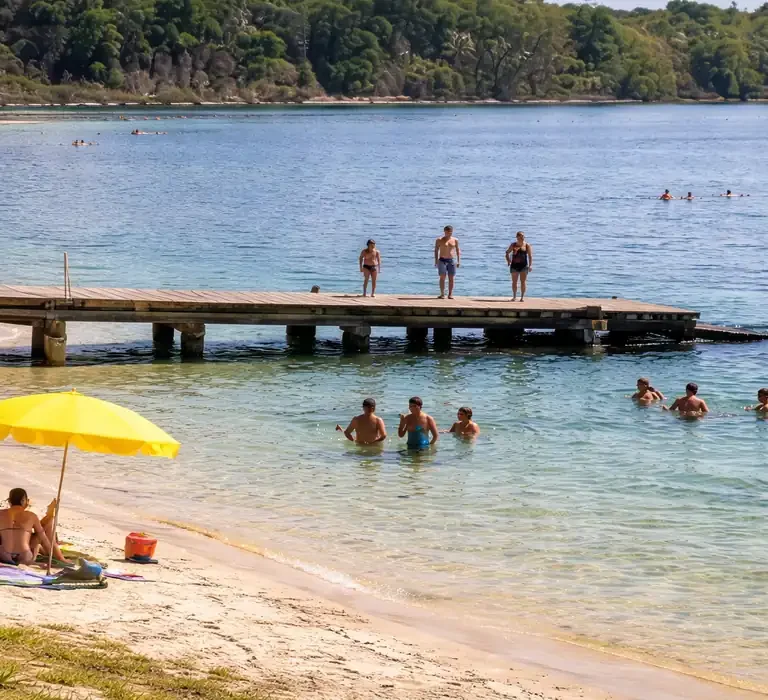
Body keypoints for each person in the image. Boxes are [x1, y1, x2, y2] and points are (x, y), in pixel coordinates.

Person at [0, 489, 68, 565]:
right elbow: (44, 539)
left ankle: (50, 516)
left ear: (9, 501)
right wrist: (54, 556)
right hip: (25, 556)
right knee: (45, 528)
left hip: (4, 555)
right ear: (23, 501)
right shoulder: (31, 516)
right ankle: (60, 557)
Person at [505, 231, 533, 302]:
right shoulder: (513, 245)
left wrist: (530, 265)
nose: (522, 238)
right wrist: (508, 261)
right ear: (517, 237)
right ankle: (514, 297)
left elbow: (530, 256)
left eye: (523, 236)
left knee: (523, 282)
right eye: (520, 236)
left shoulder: (527, 245)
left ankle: (522, 297)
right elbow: (507, 252)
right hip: (514, 266)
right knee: (514, 282)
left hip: (524, 266)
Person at [434, 225, 460, 299]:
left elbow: (458, 250)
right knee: (442, 277)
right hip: (442, 260)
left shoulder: (455, 240)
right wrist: (436, 261)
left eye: (450, 232)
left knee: (451, 278)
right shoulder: (439, 240)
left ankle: (450, 294)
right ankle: (442, 294)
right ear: (444, 232)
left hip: (451, 260)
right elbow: (436, 250)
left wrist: (458, 261)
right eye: (447, 232)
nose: (449, 233)